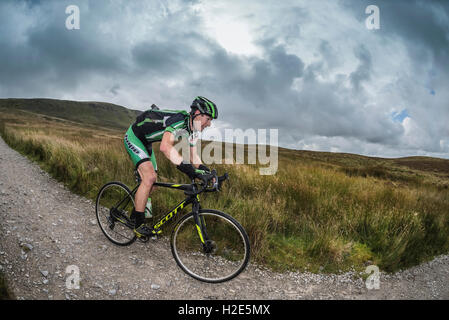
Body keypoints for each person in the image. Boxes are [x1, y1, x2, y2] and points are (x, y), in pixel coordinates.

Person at [123, 96, 218, 238]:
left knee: (152, 185)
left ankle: (134, 215)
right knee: (149, 178)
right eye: (208, 119)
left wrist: (206, 172)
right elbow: (165, 147)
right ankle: (138, 225)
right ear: (198, 113)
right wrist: (190, 170)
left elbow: (193, 156)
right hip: (134, 137)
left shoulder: (193, 129)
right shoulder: (179, 120)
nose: (209, 124)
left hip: (147, 142)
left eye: (211, 121)